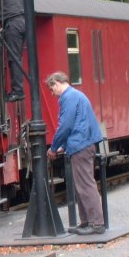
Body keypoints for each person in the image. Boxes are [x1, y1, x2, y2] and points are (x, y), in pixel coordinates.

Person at [45, 71, 106, 235]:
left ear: (57, 83)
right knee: (82, 185)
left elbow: (66, 125)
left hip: (81, 145)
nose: (52, 94)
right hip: (82, 143)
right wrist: (64, 146)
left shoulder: (68, 97)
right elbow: (76, 123)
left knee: (85, 184)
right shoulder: (76, 95)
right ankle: (87, 221)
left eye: (52, 89)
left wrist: (54, 146)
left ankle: (96, 223)